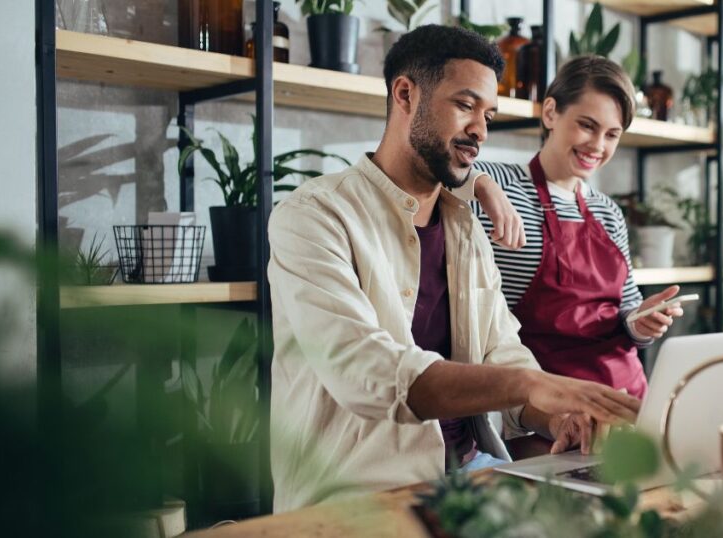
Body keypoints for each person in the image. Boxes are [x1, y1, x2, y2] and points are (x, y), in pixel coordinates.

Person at [267, 26, 641, 512]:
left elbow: (501, 351)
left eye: (488, 115)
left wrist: (555, 417)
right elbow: (365, 372)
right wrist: (535, 384)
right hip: (359, 500)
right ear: (405, 94)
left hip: (472, 476)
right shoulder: (314, 216)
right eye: (466, 106)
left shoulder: (465, 226)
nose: (481, 131)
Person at [463, 55, 684, 399]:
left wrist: (642, 322)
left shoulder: (607, 211)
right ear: (550, 113)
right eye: (587, 125)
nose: (598, 146)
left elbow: (626, 313)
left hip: (627, 395)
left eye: (612, 134)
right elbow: (429, 173)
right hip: (545, 402)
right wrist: (482, 185)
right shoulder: (498, 184)